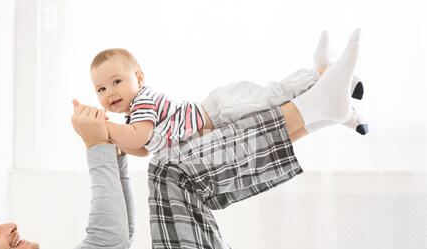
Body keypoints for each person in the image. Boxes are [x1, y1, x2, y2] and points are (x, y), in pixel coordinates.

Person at [0, 29, 364, 249]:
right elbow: (106, 241)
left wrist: (113, 156)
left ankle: (318, 112)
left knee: (170, 168)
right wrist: (97, 144)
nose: (9, 225)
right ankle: (316, 107)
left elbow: (121, 236)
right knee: (170, 169)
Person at [78, 29, 367, 158]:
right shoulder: (133, 119)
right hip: (218, 121)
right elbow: (141, 149)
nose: (109, 92)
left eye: (116, 81)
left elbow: (139, 138)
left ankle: (323, 72)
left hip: (221, 108)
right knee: (280, 120)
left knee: (275, 96)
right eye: (101, 89)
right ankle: (338, 111)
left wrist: (103, 129)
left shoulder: (142, 102)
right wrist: (112, 140)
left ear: (138, 78)